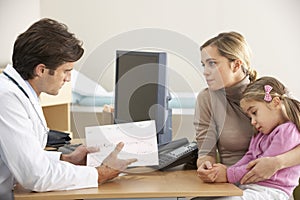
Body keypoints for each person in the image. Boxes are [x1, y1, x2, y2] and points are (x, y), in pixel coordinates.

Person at [0, 18, 136, 200]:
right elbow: (35, 176)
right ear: (41, 70)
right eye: (66, 71)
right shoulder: (7, 98)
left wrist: (66, 159)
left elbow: (26, 158)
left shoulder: (21, 92)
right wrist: (100, 174)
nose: (68, 79)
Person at [195, 32, 300, 186]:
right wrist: (206, 166)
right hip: (228, 184)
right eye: (204, 65)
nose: (205, 71)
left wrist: (276, 163)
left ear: (236, 65)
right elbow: (206, 150)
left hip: (269, 188)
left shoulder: (270, 93)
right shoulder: (207, 99)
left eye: (212, 63)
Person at [204, 76, 300, 199]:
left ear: (275, 103)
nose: (253, 122)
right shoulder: (261, 134)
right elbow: (249, 156)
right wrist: (225, 171)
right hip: (253, 187)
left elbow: (260, 167)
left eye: (254, 113)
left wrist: (228, 174)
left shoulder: (287, 132)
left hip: (273, 192)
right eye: (250, 117)